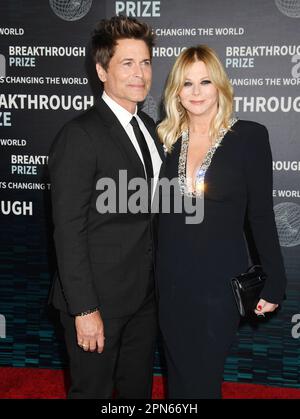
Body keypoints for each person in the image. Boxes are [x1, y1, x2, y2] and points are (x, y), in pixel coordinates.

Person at [156, 45, 287, 399]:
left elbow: (260, 215)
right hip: (170, 284)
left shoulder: (250, 136)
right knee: (179, 379)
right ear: (176, 92)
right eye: (187, 83)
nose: (196, 92)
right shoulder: (163, 139)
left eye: (205, 81)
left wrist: (275, 280)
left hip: (219, 286)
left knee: (204, 380)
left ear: (220, 87)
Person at [48, 15, 164, 399]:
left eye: (145, 62)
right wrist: (84, 310)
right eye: (127, 63)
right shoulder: (79, 135)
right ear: (101, 70)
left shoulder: (148, 127)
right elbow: (68, 230)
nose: (140, 74)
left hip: (144, 297)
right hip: (97, 303)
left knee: (136, 393)